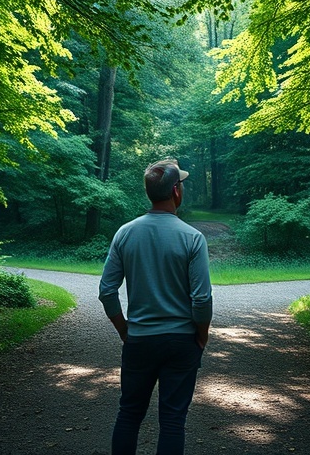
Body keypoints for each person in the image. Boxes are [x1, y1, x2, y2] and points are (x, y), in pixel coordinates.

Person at [99, 159, 213, 455]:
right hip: (181, 342)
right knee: (173, 421)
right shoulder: (192, 238)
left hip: (139, 341)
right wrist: (202, 335)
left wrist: (126, 331)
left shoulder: (125, 233)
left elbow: (106, 291)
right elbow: (201, 298)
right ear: (176, 192)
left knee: (129, 414)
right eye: (182, 185)